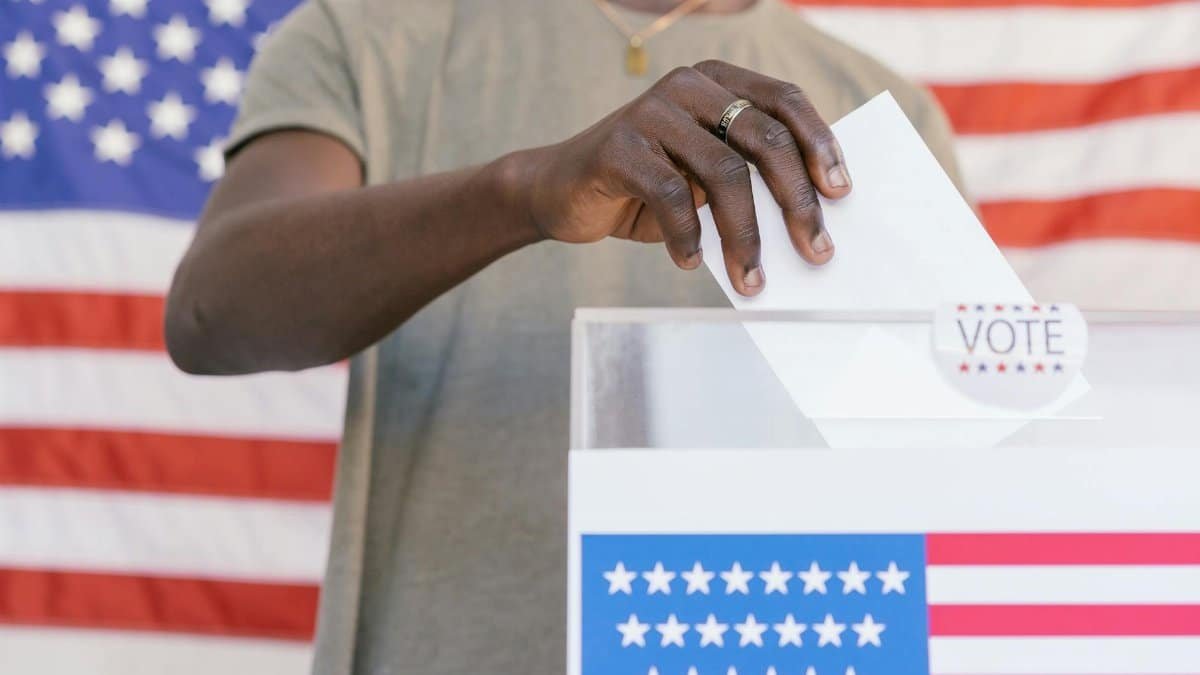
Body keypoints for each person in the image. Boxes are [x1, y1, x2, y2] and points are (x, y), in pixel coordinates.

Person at [164, 0, 965, 672]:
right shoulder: (374, 32)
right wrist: (526, 192)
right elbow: (211, 313)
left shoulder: (881, 110)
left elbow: (940, 468)